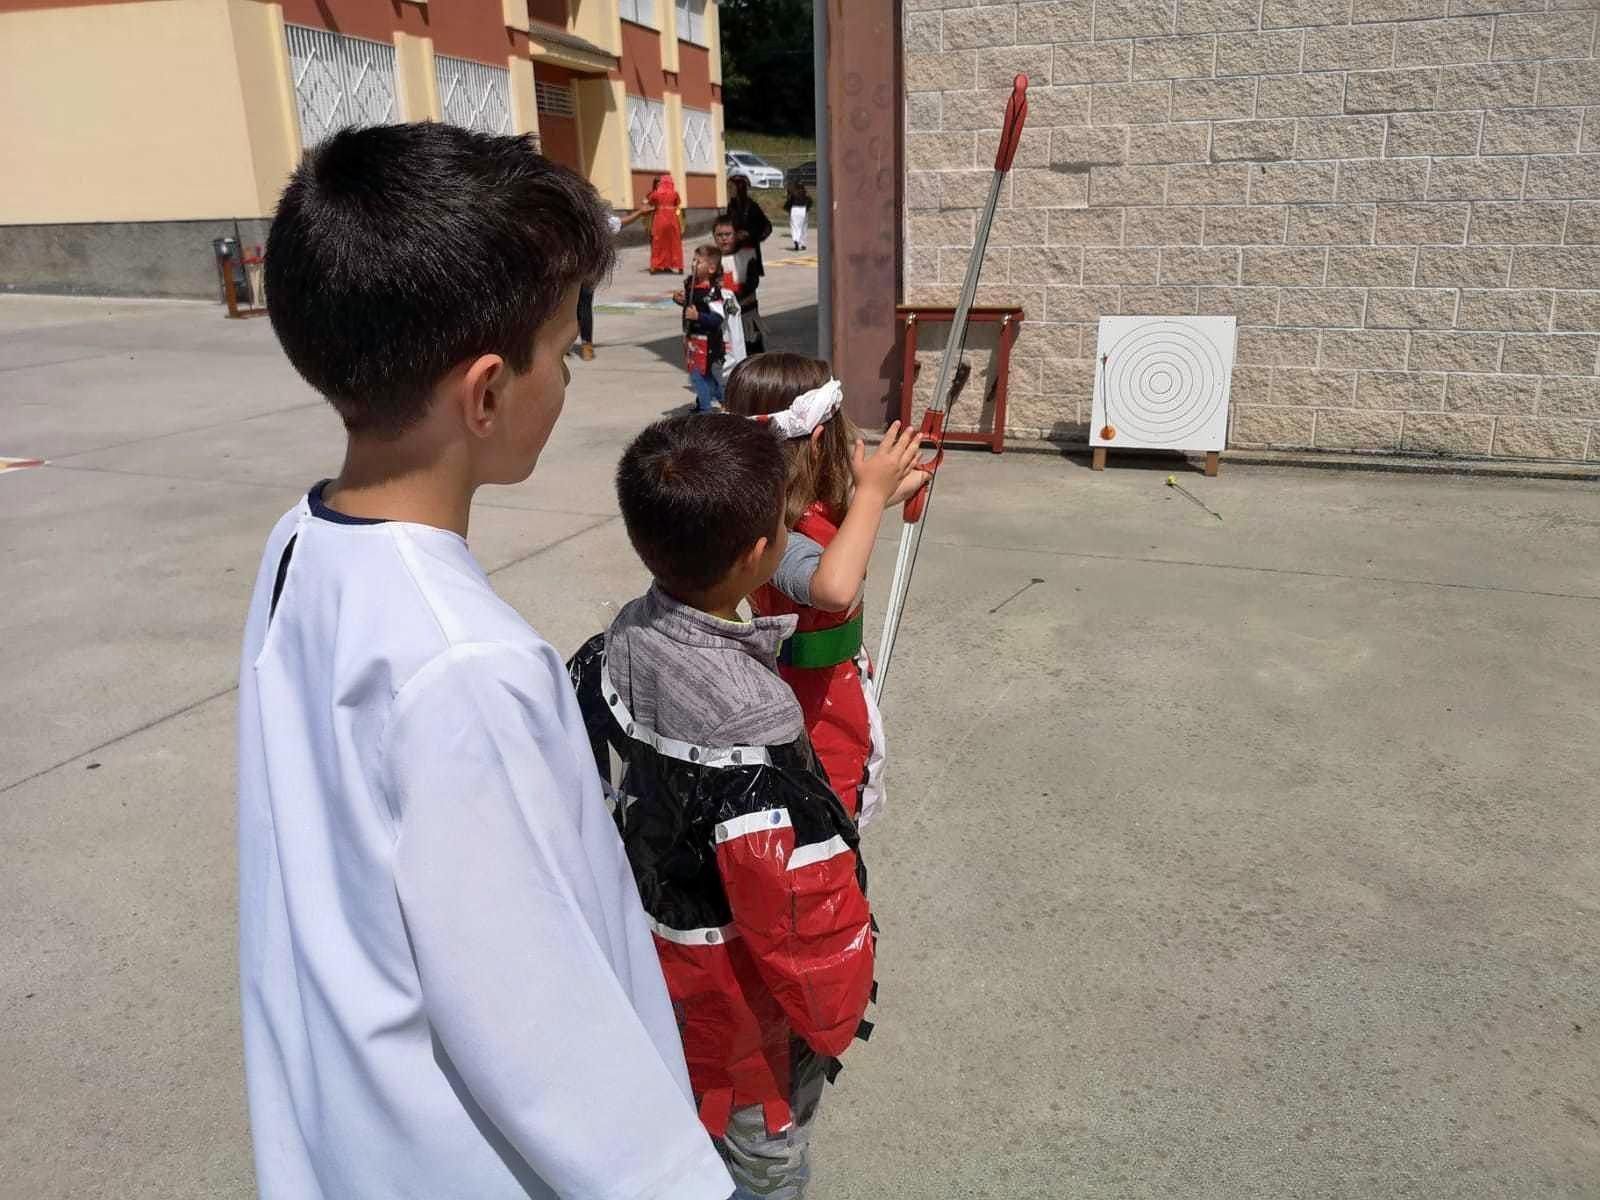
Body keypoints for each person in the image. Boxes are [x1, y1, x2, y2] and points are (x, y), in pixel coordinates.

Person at [241, 123, 733, 1200]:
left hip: (350, 1140)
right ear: (487, 394)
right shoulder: (468, 664)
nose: (569, 373)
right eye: (562, 347)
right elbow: (541, 1019)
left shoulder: (300, 542)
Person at [567, 412, 876, 1199]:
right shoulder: (758, 724)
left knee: (681, 1121)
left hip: (644, 965)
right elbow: (801, 913)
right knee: (764, 1155)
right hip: (739, 1023)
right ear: (757, 554)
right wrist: (838, 1009)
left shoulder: (616, 641)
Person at [726, 353, 927, 828]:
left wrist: (891, 485)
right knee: (826, 815)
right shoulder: (774, 535)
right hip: (812, 713)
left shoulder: (786, 506)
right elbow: (834, 589)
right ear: (820, 441)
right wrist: (873, 494)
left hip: (828, 690)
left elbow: (848, 511)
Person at [574, 208, 646, 361]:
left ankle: (585, 344)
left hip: (585, 266)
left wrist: (639, 213)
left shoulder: (591, 214)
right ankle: (571, 344)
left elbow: (616, 223)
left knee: (582, 304)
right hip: (570, 267)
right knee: (574, 306)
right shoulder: (568, 213)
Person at [675, 244, 728, 412]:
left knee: (698, 376)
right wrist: (681, 300)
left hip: (707, 341)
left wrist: (699, 317)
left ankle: (705, 411)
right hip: (692, 338)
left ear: (711, 268)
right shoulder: (691, 285)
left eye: (698, 262)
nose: (693, 264)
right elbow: (691, 305)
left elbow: (718, 318)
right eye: (693, 260)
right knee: (704, 375)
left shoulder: (712, 292)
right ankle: (723, 399)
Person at [714, 214, 765, 356]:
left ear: (736, 235)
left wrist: (730, 292)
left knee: (753, 354)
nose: (724, 238)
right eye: (719, 235)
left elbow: (752, 283)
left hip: (746, 316)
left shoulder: (748, 255)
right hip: (721, 319)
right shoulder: (711, 259)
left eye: (728, 234)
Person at [726, 175, 773, 271]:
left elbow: (765, 226)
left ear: (740, 188)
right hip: (735, 249)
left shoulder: (751, 206)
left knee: (749, 275)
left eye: (731, 187)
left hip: (750, 249)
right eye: (728, 187)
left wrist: (749, 233)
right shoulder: (731, 206)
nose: (729, 190)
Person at [645, 173, 684, 274]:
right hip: (672, 220)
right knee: (674, 243)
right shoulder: (675, 193)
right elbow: (678, 203)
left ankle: (655, 266)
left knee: (658, 243)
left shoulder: (655, 194)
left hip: (660, 219)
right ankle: (679, 266)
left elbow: (650, 202)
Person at [784, 182, 812, 252]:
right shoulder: (805, 195)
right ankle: (801, 243)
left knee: (794, 226)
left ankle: (796, 240)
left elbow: (789, 202)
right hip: (803, 210)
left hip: (794, 209)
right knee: (802, 227)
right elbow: (810, 202)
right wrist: (807, 208)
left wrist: (787, 209)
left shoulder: (793, 195)